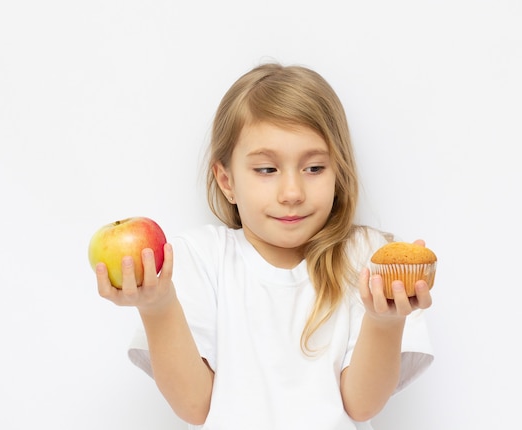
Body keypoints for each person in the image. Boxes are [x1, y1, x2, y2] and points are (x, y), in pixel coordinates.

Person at [95, 63, 434, 430]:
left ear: (339, 171)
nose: (292, 193)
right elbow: (194, 406)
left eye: (315, 168)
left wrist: (385, 321)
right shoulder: (201, 257)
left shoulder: (366, 258)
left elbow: (362, 405)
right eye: (267, 170)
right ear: (227, 181)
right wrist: (158, 307)